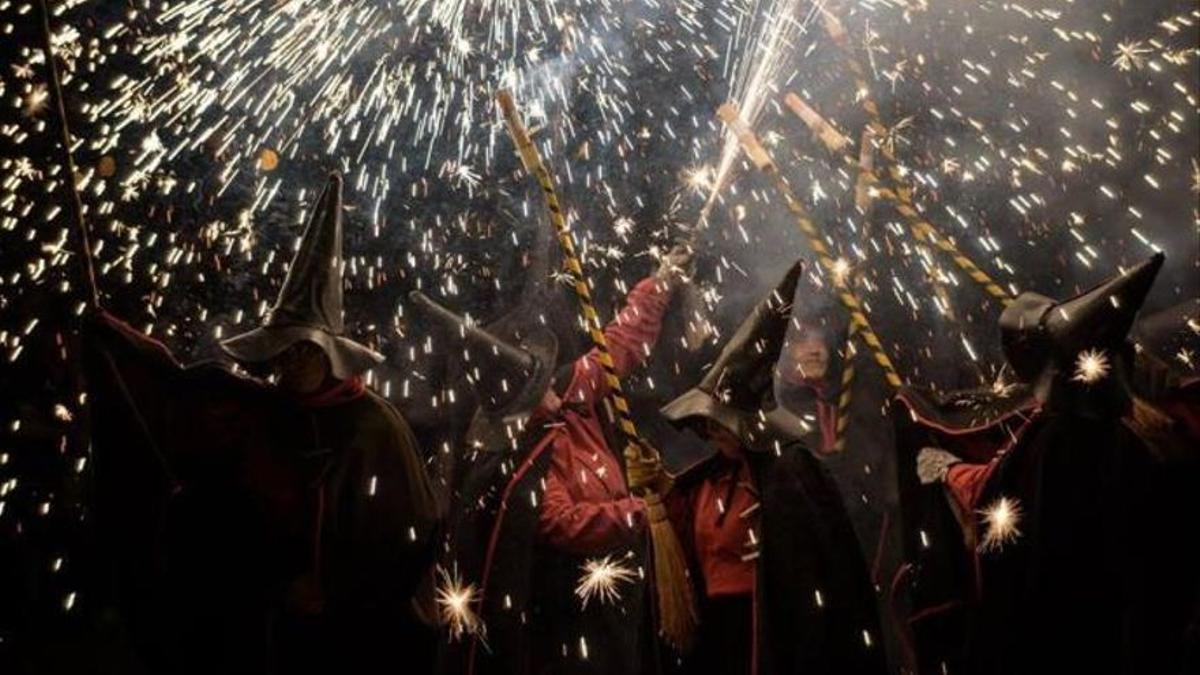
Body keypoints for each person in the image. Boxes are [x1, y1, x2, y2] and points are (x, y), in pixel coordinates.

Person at [83, 173, 440, 674]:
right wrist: (112, 338)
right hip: (270, 633)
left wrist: (332, 590)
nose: (288, 363)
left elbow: (411, 540)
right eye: (280, 351)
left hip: (353, 639)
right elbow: (182, 387)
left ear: (331, 355)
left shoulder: (374, 430)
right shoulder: (265, 410)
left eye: (302, 350)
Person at [908, 253, 1200, 675]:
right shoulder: (1159, 428)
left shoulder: (1062, 439)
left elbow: (1004, 501)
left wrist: (949, 472)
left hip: (1087, 638)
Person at [421, 245, 692, 675]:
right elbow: (560, 522)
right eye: (538, 387)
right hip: (567, 603)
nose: (552, 386)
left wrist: (659, 283)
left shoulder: (569, 388)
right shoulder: (518, 459)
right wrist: (641, 514)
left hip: (620, 574)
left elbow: (620, 344)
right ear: (520, 408)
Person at [659, 260, 888, 675]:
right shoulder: (706, 480)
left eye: (722, 422)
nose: (713, 431)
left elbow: (818, 577)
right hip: (716, 638)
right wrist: (659, 492)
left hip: (776, 632)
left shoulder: (790, 473)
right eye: (709, 422)